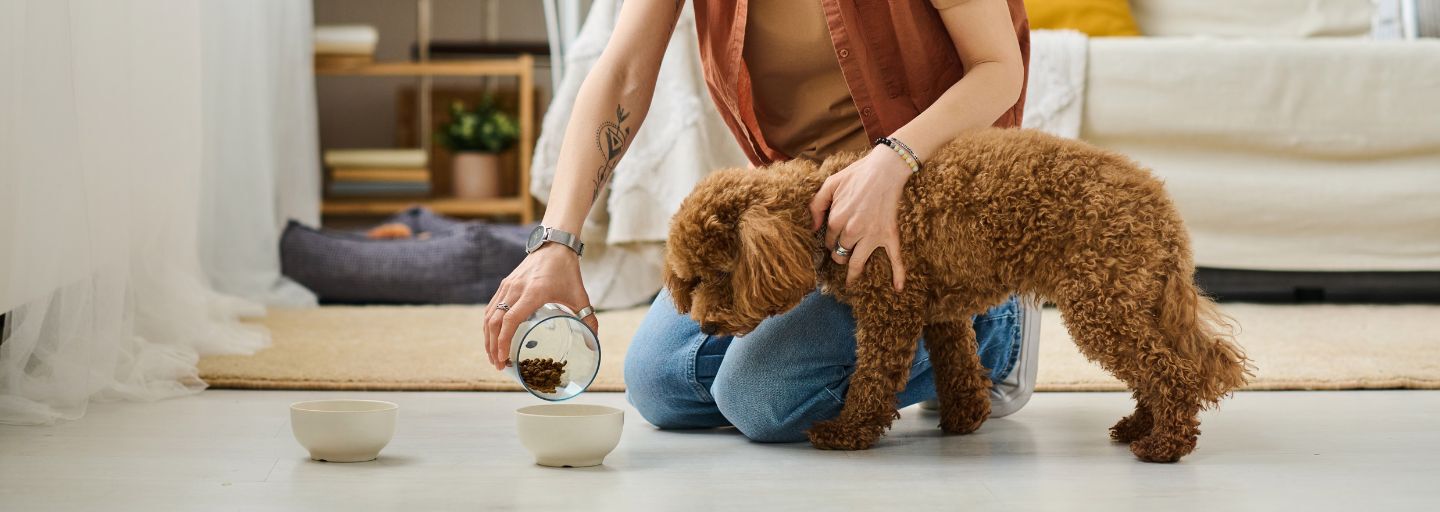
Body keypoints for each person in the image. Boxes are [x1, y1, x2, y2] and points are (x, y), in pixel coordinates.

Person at [485, 0, 1039, 443]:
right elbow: (625, 72)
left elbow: (997, 68)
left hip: (931, 217)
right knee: (657, 384)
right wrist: (556, 243)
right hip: (807, 226)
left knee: (760, 398)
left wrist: (893, 161)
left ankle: (993, 330)